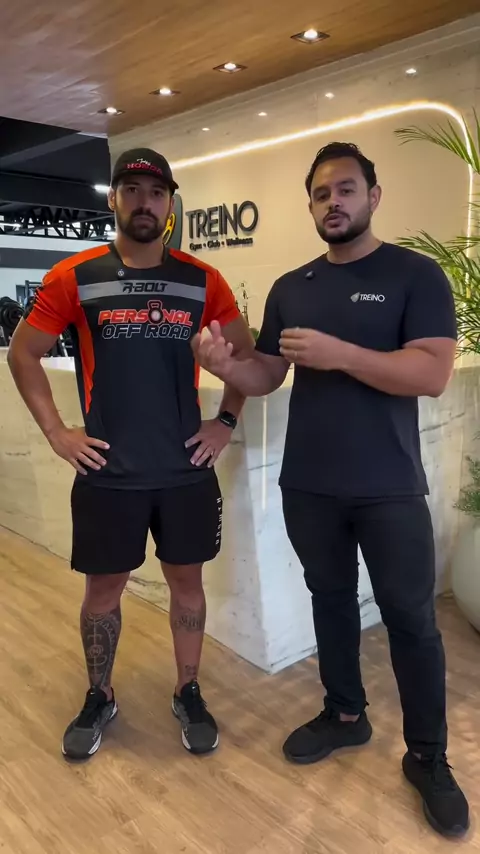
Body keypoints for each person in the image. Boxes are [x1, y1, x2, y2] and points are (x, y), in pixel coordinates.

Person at [191, 142, 469, 838]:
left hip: (389, 486)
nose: (333, 202)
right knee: (331, 601)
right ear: (311, 206)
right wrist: (227, 366)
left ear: (373, 195)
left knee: (411, 621)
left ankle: (428, 756)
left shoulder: (415, 275)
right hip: (310, 484)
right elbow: (266, 376)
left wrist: (341, 354)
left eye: (346, 189)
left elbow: (432, 373)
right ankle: (345, 714)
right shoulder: (294, 286)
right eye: (321, 193)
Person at [8, 147, 254, 761]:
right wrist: (56, 432)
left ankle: (188, 690)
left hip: (185, 471)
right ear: (114, 198)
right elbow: (23, 352)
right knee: (103, 592)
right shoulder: (75, 276)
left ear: (170, 204)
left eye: (157, 192)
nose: (145, 202)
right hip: (108, 473)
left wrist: (226, 420)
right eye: (133, 190)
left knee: (187, 586)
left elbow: (246, 357)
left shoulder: (203, 280)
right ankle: (100, 695)